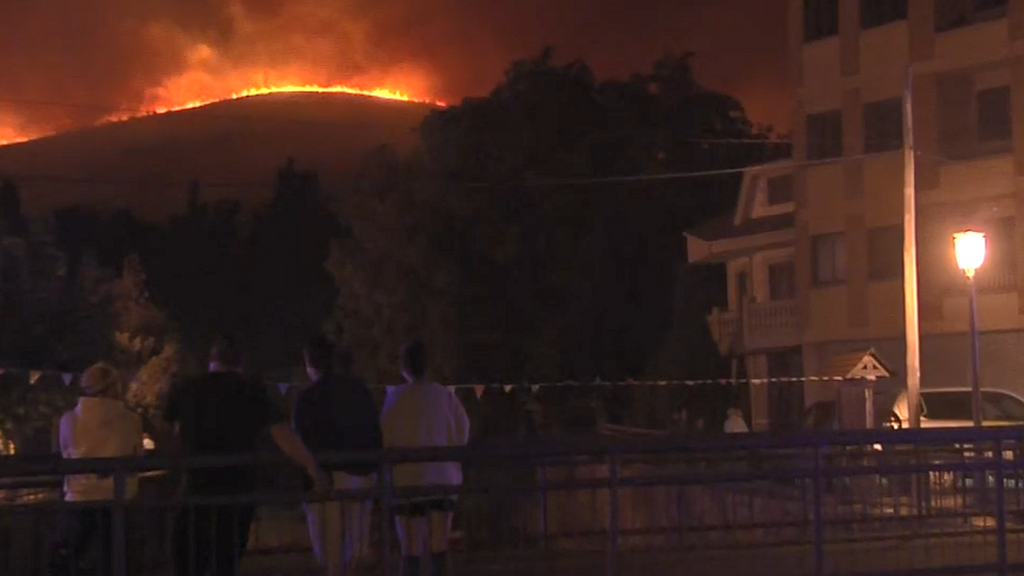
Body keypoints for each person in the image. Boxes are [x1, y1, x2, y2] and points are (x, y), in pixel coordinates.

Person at [163, 335, 328, 576]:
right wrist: (313, 468)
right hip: (238, 489)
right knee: (225, 560)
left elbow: (169, 433)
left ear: (212, 360)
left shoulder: (186, 388)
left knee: (188, 558)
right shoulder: (253, 390)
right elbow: (284, 437)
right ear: (241, 363)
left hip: (196, 487)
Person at [293, 334, 383, 576]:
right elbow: (375, 433)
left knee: (331, 558)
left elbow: (301, 443)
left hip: (325, 481)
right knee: (355, 554)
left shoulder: (306, 398)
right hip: (361, 476)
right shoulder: (359, 390)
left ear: (309, 363)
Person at [381, 341, 470, 576]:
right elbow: (463, 431)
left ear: (403, 367)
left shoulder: (395, 398)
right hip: (442, 477)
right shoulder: (445, 396)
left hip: (407, 480)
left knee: (410, 550)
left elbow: (384, 437)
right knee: (439, 546)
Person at [49, 363, 144, 576]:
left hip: (79, 499)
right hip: (119, 499)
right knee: (118, 560)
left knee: (69, 558)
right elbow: (138, 456)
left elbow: (64, 454)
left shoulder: (68, 420)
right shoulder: (129, 419)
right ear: (113, 388)